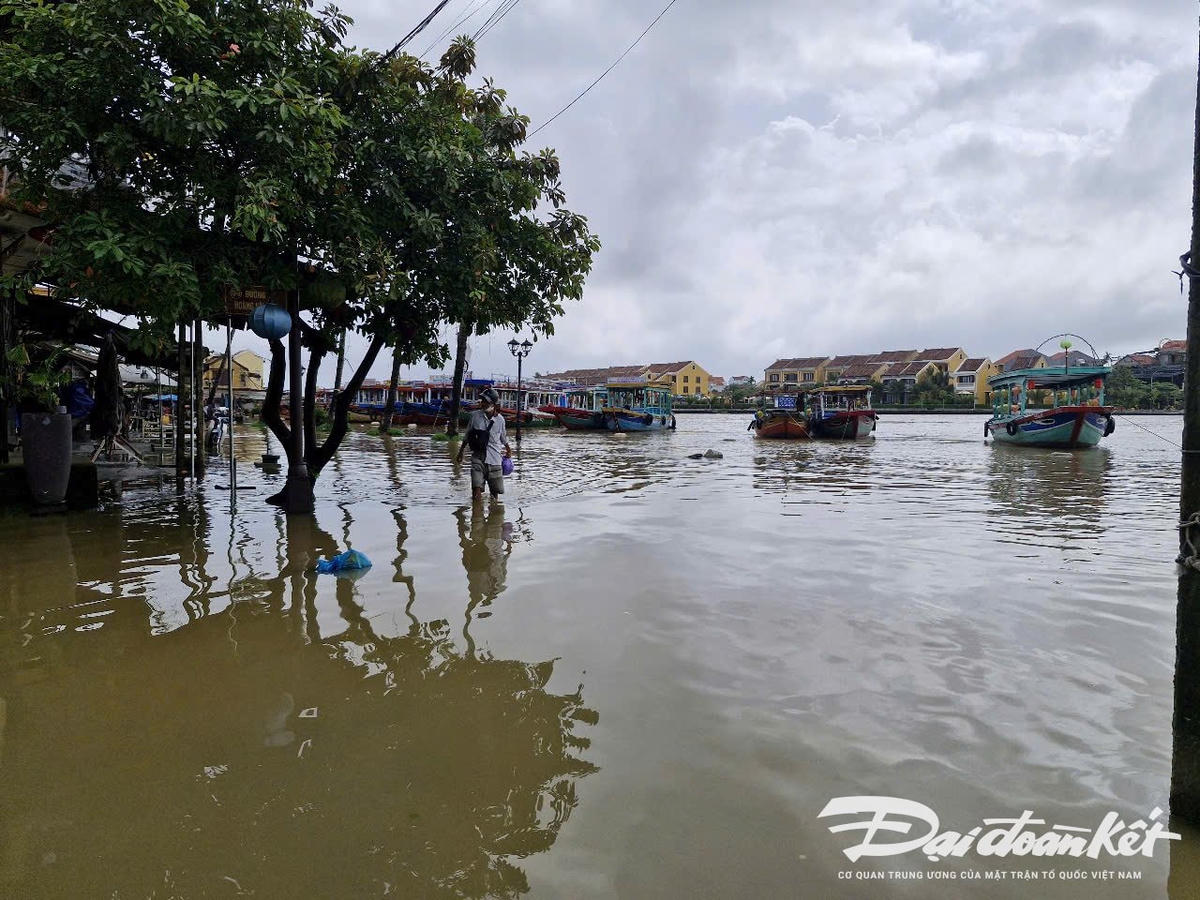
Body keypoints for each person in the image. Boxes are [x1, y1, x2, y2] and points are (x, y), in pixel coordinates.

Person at [455, 388, 511, 502]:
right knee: (476, 488)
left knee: (495, 494)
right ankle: (476, 515)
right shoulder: (475, 417)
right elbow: (467, 436)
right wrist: (460, 452)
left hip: (494, 459)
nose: (483, 403)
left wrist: (508, 449)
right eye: (482, 400)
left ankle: (494, 516)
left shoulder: (500, 420)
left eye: (486, 401)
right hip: (478, 457)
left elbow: (503, 438)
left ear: (493, 404)